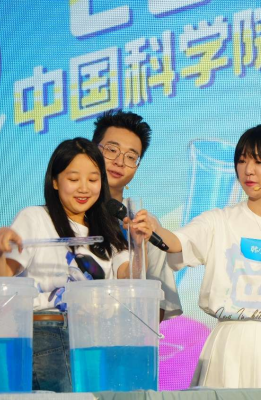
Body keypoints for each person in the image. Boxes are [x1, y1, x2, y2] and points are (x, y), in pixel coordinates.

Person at [129, 124, 261, 388]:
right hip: (227, 346)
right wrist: (155, 229)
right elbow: (178, 242)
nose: (248, 170)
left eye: (259, 161)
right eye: (242, 160)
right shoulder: (219, 220)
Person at [0, 138, 135, 392]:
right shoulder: (35, 218)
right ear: (55, 181)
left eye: (93, 179)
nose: (84, 188)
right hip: (49, 332)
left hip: (97, 336)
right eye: (73, 179)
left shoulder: (109, 230)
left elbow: (130, 278)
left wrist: (138, 244)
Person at [92, 109, 181, 321]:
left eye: (131, 157)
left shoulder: (144, 223)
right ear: (92, 150)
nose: (120, 162)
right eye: (112, 150)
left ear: (137, 166)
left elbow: (160, 306)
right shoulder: (67, 214)